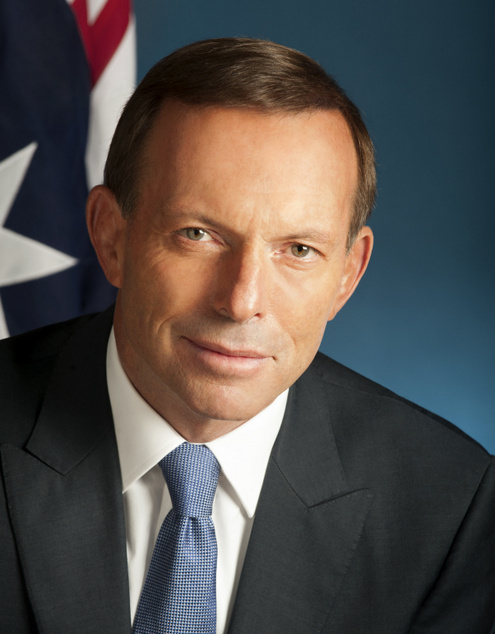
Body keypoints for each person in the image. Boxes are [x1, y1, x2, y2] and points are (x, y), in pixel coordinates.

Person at [1, 37, 494, 634]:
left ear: (348, 274)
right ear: (111, 237)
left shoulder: (451, 504)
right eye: (197, 234)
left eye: (299, 250)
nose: (241, 302)